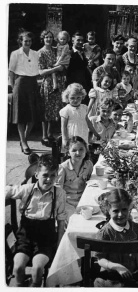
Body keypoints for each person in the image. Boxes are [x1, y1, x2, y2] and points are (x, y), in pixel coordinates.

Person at [6, 154, 66, 287]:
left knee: (37, 268)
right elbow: (9, 190)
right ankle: (21, 285)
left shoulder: (59, 193)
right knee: (18, 267)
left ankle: (36, 286)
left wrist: (59, 244)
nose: (49, 179)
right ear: (37, 174)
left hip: (46, 240)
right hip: (25, 238)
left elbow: (61, 220)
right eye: (45, 175)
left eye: (53, 175)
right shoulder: (27, 190)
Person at [94, 189, 138, 288]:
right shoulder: (105, 233)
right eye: (115, 211)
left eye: (124, 209)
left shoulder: (136, 228)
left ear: (130, 208)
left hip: (134, 275)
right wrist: (117, 267)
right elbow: (100, 259)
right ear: (108, 211)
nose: (120, 214)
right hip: (112, 278)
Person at [8, 31, 40, 155]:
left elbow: (37, 70)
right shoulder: (15, 54)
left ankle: (24, 139)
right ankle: (24, 142)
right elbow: (11, 72)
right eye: (25, 40)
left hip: (32, 84)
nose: (28, 43)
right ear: (20, 41)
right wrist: (13, 87)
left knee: (32, 116)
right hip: (20, 84)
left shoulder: (35, 53)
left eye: (30, 41)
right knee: (21, 116)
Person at [38, 30, 66, 147]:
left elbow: (63, 64)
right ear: (43, 39)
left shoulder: (56, 50)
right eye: (46, 37)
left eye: (50, 37)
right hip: (48, 83)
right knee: (47, 109)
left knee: (56, 108)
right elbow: (41, 72)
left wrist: (61, 68)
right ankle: (44, 135)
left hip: (59, 82)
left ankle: (50, 133)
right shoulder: (40, 52)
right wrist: (54, 69)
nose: (48, 39)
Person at [56, 136, 93, 220]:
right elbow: (58, 190)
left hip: (84, 200)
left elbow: (91, 182)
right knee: (74, 220)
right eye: (74, 150)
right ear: (68, 152)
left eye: (81, 149)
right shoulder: (63, 168)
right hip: (68, 202)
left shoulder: (89, 165)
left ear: (86, 150)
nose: (78, 153)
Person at [60, 83, 100, 151]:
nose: (75, 100)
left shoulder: (84, 108)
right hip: (72, 135)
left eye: (78, 97)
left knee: (83, 151)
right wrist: (64, 139)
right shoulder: (66, 110)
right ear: (67, 97)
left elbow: (87, 121)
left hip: (83, 133)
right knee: (72, 152)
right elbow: (63, 126)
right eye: (72, 98)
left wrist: (95, 132)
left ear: (82, 96)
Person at [67, 31, 92, 103]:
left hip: (85, 84)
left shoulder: (83, 53)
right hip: (75, 85)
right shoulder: (69, 53)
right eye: (78, 40)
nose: (80, 42)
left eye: (82, 40)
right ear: (72, 41)